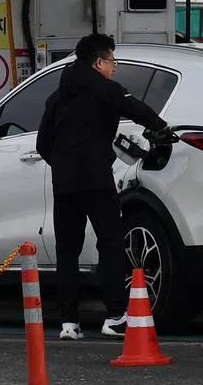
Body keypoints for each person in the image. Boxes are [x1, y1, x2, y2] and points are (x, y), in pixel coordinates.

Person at [36, 33, 170, 341]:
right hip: (97, 180)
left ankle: (69, 323)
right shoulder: (106, 90)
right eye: (112, 61)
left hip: (65, 184)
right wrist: (161, 128)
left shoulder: (57, 97)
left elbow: (43, 143)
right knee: (110, 243)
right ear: (98, 62)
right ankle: (114, 317)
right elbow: (137, 109)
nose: (114, 67)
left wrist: (64, 164)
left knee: (67, 251)